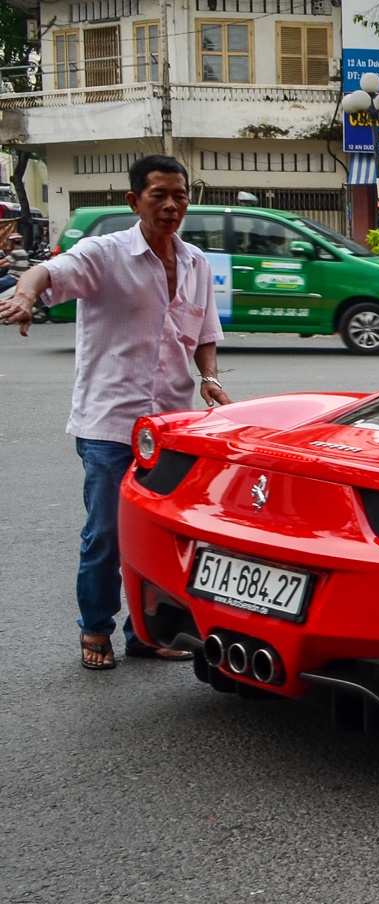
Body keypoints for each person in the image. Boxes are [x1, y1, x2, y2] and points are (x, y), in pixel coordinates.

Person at [0, 154, 226, 670]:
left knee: (161, 536)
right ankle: (95, 629)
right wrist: (24, 297)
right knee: (106, 532)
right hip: (108, 425)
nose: (171, 206)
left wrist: (208, 379)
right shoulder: (104, 254)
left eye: (180, 196)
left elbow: (205, 333)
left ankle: (145, 633)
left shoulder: (195, 262)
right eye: (158, 196)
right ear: (134, 201)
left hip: (170, 428)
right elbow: (47, 272)